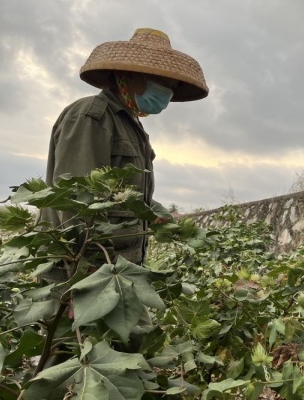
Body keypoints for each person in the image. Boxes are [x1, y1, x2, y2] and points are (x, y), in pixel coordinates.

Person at [41, 28, 209, 280]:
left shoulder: (130, 124)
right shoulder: (90, 116)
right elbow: (75, 203)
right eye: (163, 82)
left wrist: (157, 214)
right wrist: (84, 280)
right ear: (127, 74)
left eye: (173, 86)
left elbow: (121, 196)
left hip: (119, 267)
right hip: (84, 270)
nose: (169, 92)